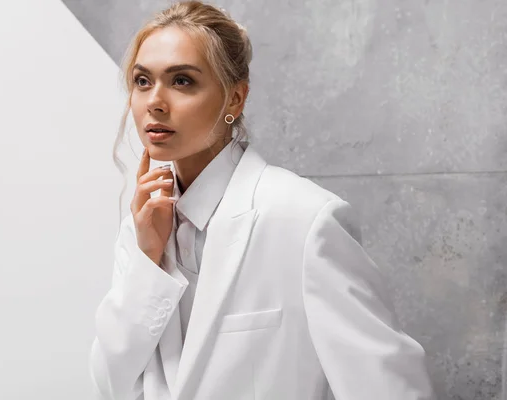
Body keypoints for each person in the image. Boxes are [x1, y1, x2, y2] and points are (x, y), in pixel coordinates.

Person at [89, 1, 436, 399]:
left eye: (182, 80)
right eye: (142, 81)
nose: (155, 101)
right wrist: (147, 261)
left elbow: (389, 389)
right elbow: (108, 383)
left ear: (235, 99)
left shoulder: (304, 221)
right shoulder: (142, 226)